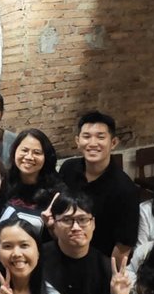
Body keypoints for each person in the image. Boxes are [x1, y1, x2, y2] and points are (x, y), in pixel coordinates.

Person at [41, 190, 135, 294]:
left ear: (93, 224)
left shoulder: (105, 267)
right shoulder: (38, 260)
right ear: (54, 224)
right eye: (67, 220)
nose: (76, 227)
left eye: (83, 220)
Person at [56, 111, 142, 269]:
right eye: (86, 136)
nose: (93, 143)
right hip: (62, 255)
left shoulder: (125, 189)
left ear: (113, 142)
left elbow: (124, 244)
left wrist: (109, 274)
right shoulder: (68, 169)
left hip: (97, 266)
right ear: (77, 141)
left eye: (101, 137)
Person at [2, 128, 59, 238]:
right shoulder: (1, 182)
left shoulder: (56, 192)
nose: (29, 157)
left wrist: (52, 227)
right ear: (14, 151)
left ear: (46, 157)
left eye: (37, 152)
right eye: (24, 150)